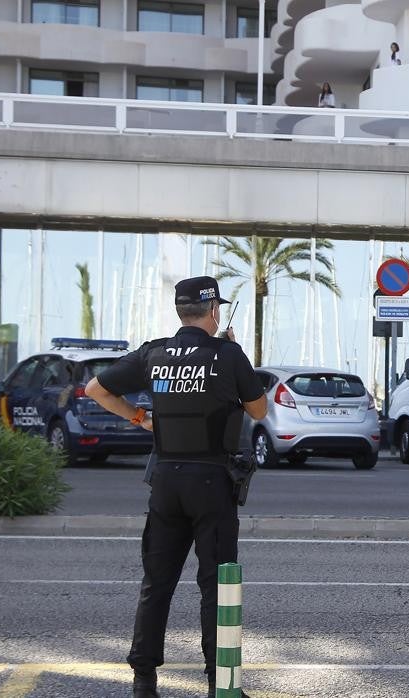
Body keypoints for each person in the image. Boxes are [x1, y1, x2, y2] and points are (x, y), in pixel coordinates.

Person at [86, 276, 267, 698]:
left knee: (157, 583)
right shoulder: (227, 353)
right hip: (211, 482)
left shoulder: (155, 352)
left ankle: (144, 681)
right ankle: (219, 683)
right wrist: (233, 367)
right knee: (216, 586)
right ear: (215, 311)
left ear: (180, 311)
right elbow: (259, 409)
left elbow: (96, 389)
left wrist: (139, 418)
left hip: (165, 479)